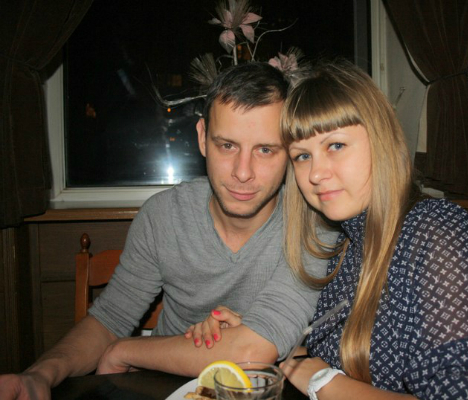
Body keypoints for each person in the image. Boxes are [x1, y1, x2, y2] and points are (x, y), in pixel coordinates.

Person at [190, 60, 468, 399]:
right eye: (302, 155)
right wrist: (264, 337)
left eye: (336, 145)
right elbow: (341, 354)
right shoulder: (346, 245)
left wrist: (323, 381)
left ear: (381, 141)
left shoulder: (439, 235)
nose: (315, 173)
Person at [0, 62, 333, 400]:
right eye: (227, 145)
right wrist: (41, 374)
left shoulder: (312, 227)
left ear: (290, 151)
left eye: (265, 150)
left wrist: (126, 351)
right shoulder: (162, 216)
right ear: (202, 137)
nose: (243, 172)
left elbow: (251, 350)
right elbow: (110, 319)